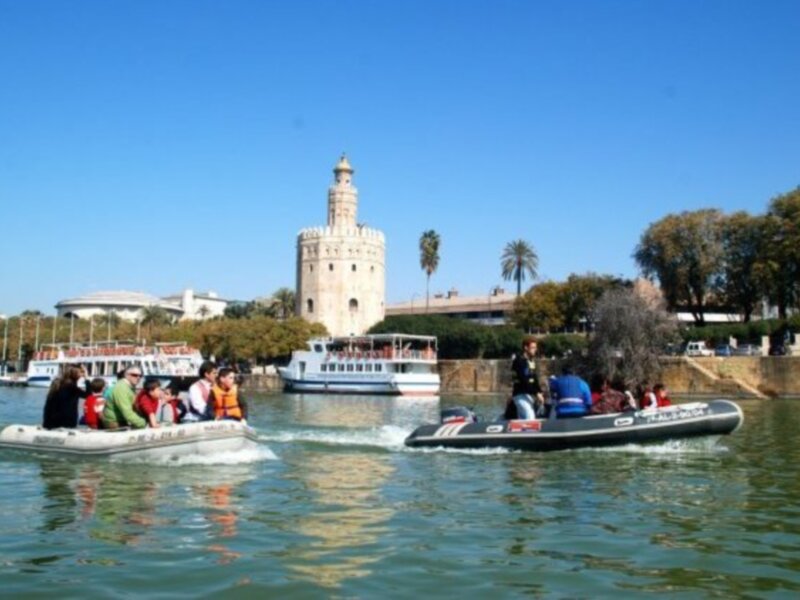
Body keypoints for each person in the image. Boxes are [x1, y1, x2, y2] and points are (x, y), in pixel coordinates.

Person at [505, 337, 546, 419]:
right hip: (520, 395)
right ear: (526, 348)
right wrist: (536, 393)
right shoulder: (519, 361)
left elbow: (534, 379)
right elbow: (523, 380)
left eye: (535, 348)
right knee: (530, 417)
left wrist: (539, 391)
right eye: (533, 348)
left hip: (529, 395)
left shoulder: (530, 361)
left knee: (524, 419)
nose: (535, 350)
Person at [42, 365, 89, 429]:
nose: (82, 375)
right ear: (75, 374)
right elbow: (88, 395)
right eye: (81, 372)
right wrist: (87, 379)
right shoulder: (71, 387)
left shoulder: (57, 383)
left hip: (49, 422)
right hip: (65, 423)